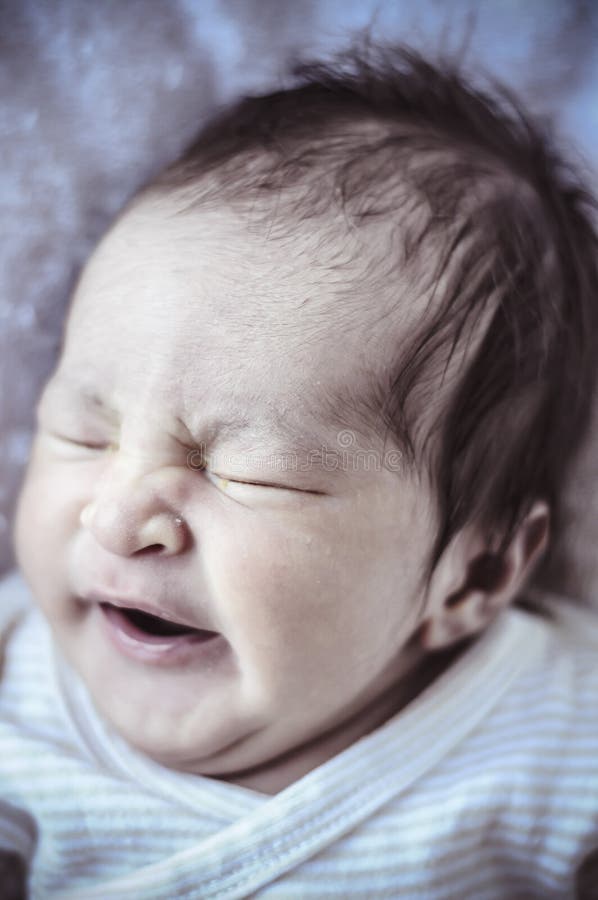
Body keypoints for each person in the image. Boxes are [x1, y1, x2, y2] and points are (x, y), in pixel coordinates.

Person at [1, 41, 598, 899]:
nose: (119, 516)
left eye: (252, 473)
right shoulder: (16, 687)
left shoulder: (554, 735)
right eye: (84, 435)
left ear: (477, 573)